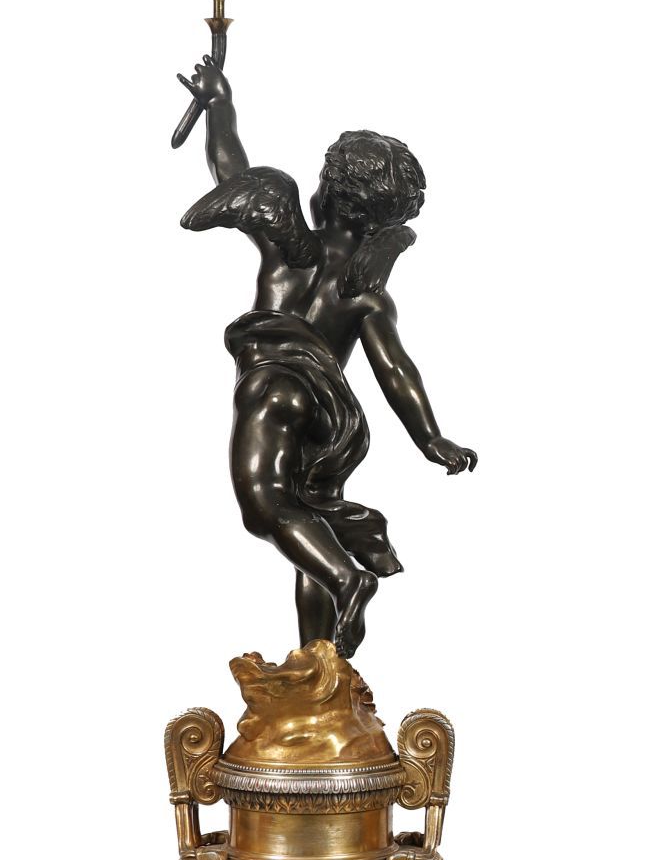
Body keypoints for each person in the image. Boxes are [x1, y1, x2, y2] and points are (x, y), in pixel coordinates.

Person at [176, 55, 477, 657]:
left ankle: (348, 581)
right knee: (310, 519)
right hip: (332, 416)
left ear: (329, 193)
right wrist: (431, 439)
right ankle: (322, 661)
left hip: (274, 387)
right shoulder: (367, 292)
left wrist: (219, 105)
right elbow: (395, 369)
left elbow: (232, 169)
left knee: (265, 507)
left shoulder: (291, 247)